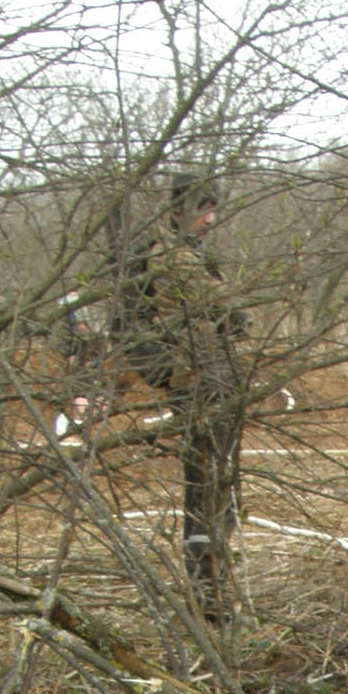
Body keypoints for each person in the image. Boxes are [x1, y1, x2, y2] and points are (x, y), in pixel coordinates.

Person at [145, 174, 247, 614]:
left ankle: (216, 576)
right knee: (203, 482)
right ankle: (205, 587)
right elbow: (219, 302)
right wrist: (232, 309)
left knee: (221, 482)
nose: (210, 219)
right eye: (203, 211)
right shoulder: (172, 257)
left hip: (216, 375)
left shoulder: (197, 256)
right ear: (177, 213)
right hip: (195, 381)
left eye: (212, 210)